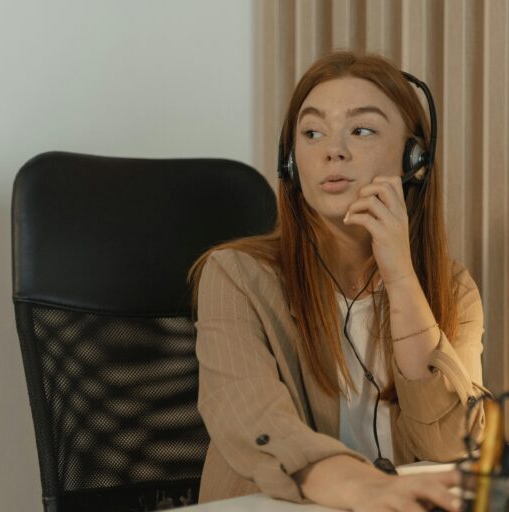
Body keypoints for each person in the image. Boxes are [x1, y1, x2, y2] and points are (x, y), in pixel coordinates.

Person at [189, 51, 486, 512]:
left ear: (414, 158)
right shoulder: (235, 276)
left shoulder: (452, 288)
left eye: (361, 130)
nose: (333, 150)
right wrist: (365, 488)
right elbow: (253, 421)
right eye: (312, 133)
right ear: (291, 163)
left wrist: (402, 276)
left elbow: (450, 443)